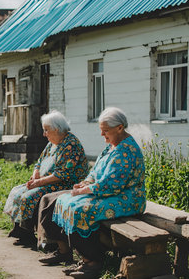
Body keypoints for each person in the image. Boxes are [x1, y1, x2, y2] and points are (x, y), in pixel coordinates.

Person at [38, 107, 146, 279]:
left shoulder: (126, 150)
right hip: (110, 193)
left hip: (128, 198)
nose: (103, 135)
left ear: (119, 128)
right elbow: (96, 172)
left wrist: (85, 190)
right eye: (101, 131)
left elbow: (112, 185)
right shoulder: (113, 145)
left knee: (79, 210)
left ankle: (93, 262)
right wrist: (85, 183)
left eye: (106, 131)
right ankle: (84, 258)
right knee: (63, 202)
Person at [3, 110, 88, 247]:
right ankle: (20, 229)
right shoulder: (52, 143)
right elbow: (39, 161)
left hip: (66, 183)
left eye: (46, 130)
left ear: (57, 129)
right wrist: (36, 173)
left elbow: (62, 174)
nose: (44, 134)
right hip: (47, 180)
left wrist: (38, 182)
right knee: (17, 191)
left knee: (30, 196)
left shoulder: (70, 145)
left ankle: (28, 233)